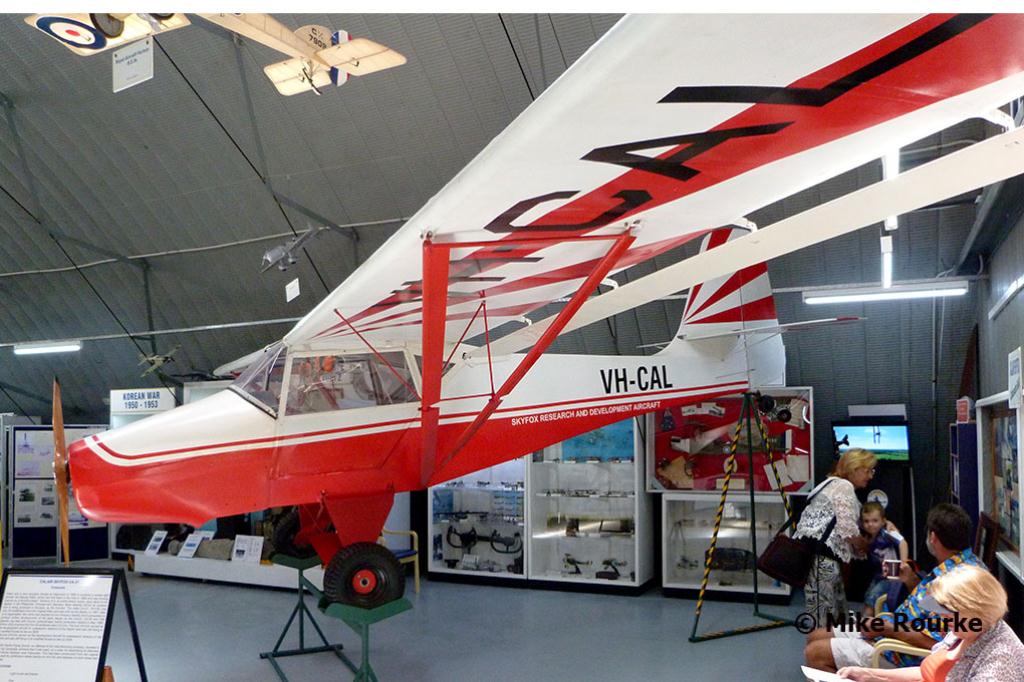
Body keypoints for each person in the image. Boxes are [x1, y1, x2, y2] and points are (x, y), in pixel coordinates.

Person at [805, 504, 980, 672]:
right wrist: (910, 580)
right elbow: (928, 603)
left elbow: (934, 642)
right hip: (892, 629)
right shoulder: (958, 563)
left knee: (815, 653)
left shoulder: (957, 581)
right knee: (815, 636)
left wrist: (885, 628)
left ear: (932, 538)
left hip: (902, 654)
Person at [837, 564, 1024, 681]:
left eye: (948, 611)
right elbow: (927, 674)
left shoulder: (1000, 660)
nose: (942, 617)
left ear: (976, 609)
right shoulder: (966, 629)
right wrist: (870, 675)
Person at [794, 448, 876, 624]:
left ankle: (828, 648)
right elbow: (847, 529)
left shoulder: (829, 484)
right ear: (854, 468)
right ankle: (820, 649)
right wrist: (865, 545)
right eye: (867, 470)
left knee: (832, 614)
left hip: (817, 557)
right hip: (823, 560)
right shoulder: (843, 486)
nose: (870, 476)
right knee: (824, 619)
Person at [861, 501, 910, 616]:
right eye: (866, 521)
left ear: (882, 521)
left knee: (872, 597)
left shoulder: (887, 533)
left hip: (892, 574)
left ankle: (864, 624)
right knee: (869, 596)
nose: (870, 524)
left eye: (875, 521)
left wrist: (903, 563)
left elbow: (903, 543)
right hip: (879, 574)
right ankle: (866, 623)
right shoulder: (870, 535)